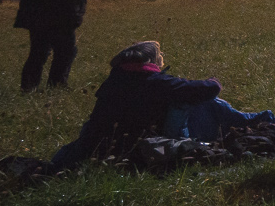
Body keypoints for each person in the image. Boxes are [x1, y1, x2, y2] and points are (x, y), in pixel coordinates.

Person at [48, 41, 230, 172]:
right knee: (187, 102)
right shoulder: (154, 81)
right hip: (139, 149)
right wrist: (212, 80)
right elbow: (209, 89)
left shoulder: (112, 82)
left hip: (98, 147)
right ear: (150, 61)